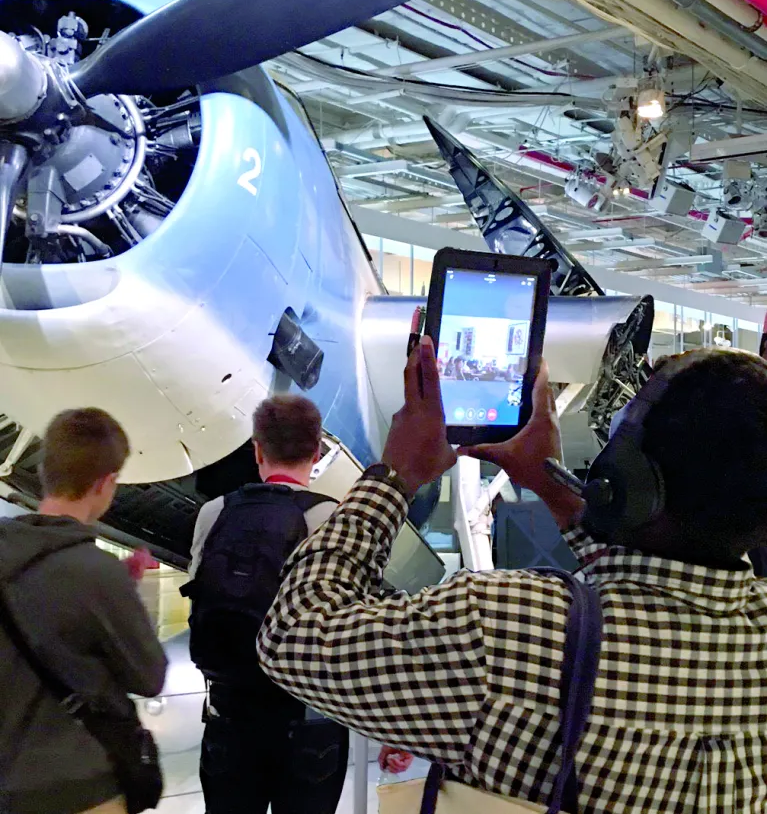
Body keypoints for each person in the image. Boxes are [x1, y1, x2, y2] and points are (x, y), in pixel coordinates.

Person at [259, 341, 767, 812]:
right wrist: (557, 489)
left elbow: (294, 634)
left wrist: (393, 477)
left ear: (624, 476)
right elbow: (650, 577)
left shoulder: (502, 629)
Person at [184, 394, 349, 814]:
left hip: (229, 713)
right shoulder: (332, 518)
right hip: (309, 719)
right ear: (317, 452)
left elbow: (198, 588)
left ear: (257, 450)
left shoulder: (215, 512)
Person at [0, 408, 167, 814]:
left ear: (46, 470)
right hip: (78, 786)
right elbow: (149, 677)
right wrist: (121, 597)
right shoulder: (97, 573)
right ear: (105, 483)